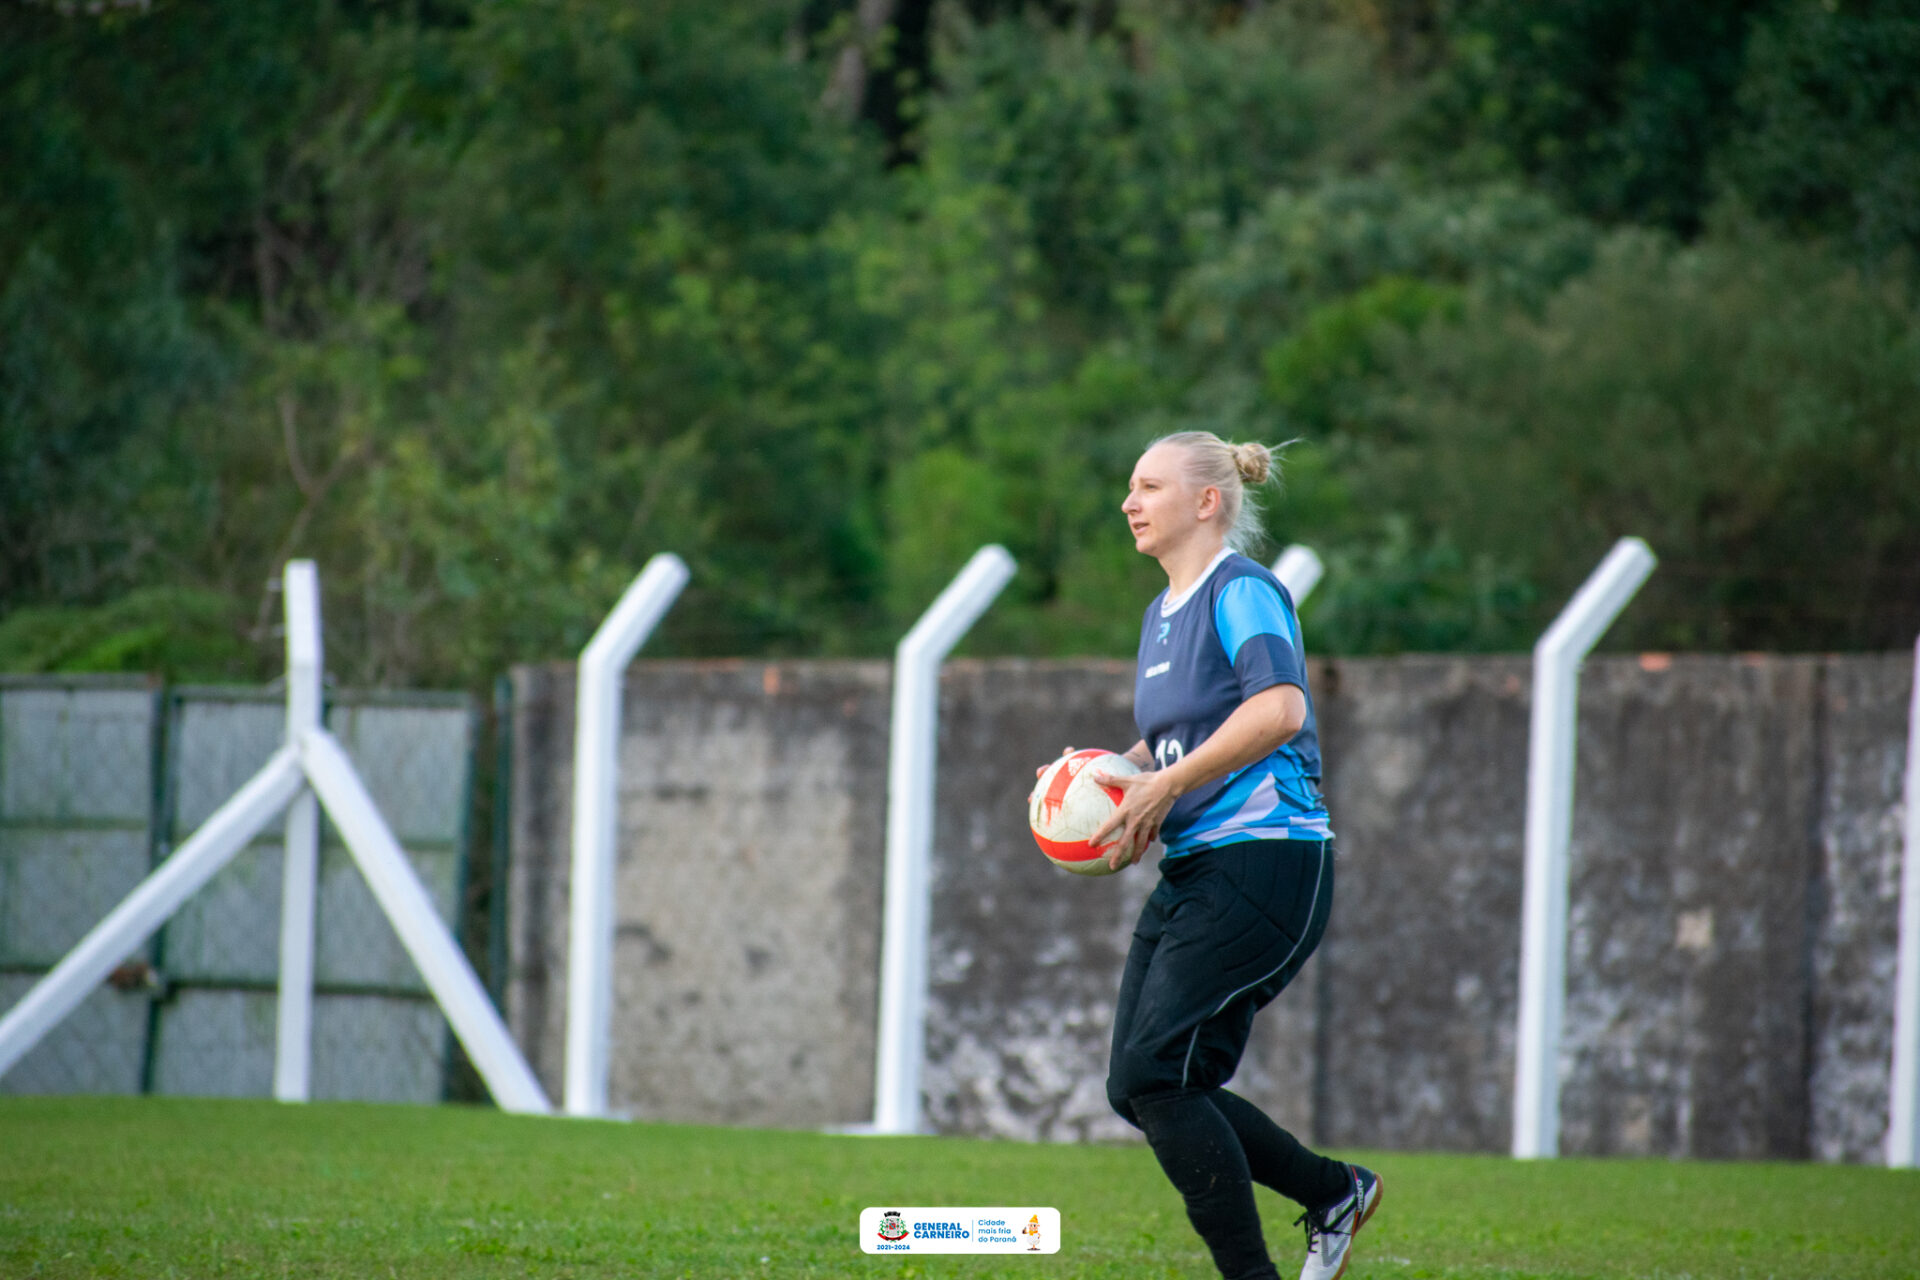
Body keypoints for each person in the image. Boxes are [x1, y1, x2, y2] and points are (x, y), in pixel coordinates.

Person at [1049, 431, 1381, 1280]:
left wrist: (1166, 786)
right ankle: (1331, 1191)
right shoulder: (1161, 614)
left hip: (1268, 859)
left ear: (1207, 501)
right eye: (1129, 485)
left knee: (1161, 1075)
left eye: (1149, 486)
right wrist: (1097, 779)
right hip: (1199, 867)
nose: (1129, 501)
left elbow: (1277, 711)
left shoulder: (1245, 591)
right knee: (1140, 1083)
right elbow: (1174, 739)